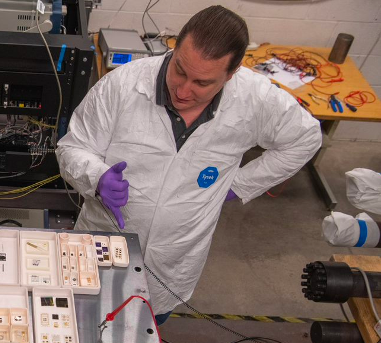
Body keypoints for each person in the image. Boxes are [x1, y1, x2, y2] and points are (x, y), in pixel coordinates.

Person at [55, 6, 321, 324]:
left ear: (231, 75)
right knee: (76, 323)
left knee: (144, 332)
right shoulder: (122, 85)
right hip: (102, 240)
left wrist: (239, 185)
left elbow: (305, 138)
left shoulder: (255, 100)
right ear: (175, 47)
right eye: (180, 70)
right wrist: (97, 178)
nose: (183, 91)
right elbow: (73, 148)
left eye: (202, 83)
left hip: (173, 262)